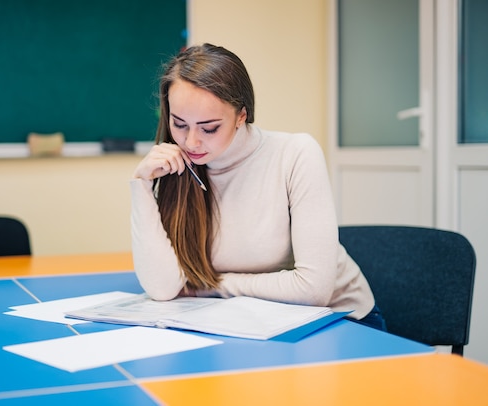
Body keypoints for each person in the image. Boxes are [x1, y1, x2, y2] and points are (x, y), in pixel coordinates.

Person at [130, 43, 386, 331]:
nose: (191, 142)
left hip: (339, 321)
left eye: (209, 127)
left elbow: (314, 290)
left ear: (242, 115)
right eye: (179, 124)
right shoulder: (175, 166)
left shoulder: (296, 154)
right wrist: (141, 187)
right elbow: (163, 289)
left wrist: (212, 285)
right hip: (248, 320)